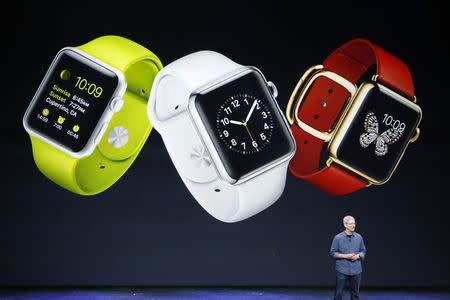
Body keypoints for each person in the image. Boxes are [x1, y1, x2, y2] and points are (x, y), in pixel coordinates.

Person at [330, 216, 367, 300]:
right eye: (351, 223)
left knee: (355, 295)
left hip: (356, 270)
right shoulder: (338, 238)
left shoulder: (359, 237)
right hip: (342, 269)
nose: (353, 225)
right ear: (345, 225)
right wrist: (345, 256)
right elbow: (332, 253)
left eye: (354, 223)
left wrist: (358, 256)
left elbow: (363, 250)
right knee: (338, 294)